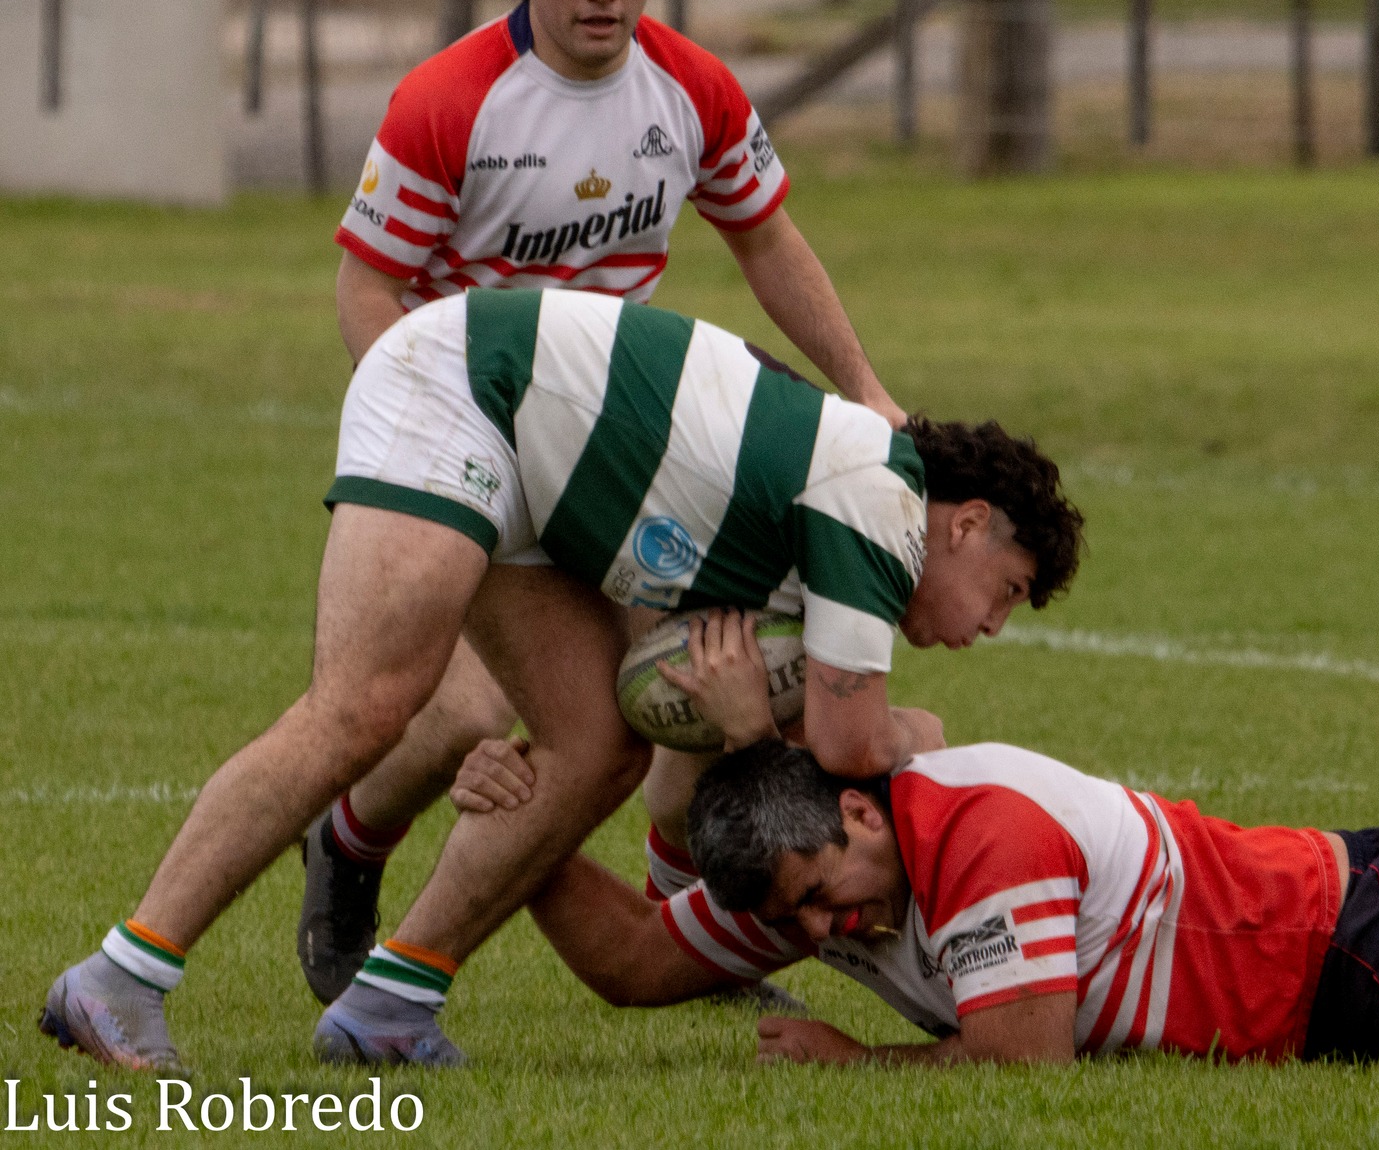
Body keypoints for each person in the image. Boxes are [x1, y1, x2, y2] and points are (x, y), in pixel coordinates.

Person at [36, 289, 1084, 1072]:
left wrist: (752, 728)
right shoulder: (883, 506)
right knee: (367, 705)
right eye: (1005, 588)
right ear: (963, 523)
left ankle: (390, 1004)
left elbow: (784, 749)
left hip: (541, 483)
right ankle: (119, 976)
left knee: (595, 746)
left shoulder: (849, 517)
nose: (989, 623)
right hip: (462, 385)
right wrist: (834, 731)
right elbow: (857, 750)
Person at [308, 0, 909, 1008]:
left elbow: (768, 240)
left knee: (700, 666)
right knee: (467, 709)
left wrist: (863, 388)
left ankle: (689, 929)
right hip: (480, 443)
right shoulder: (451, 100)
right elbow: (367, 284)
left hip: (633, 450)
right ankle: (350, 842)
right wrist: (434, 446)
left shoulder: (689, 91)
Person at [509, 586, 1379, 1068]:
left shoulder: (974, 835)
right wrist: (527, 827)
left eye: (829, 885)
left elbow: (1021, 1062)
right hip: (1312, 980)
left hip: (1345, 937)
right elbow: (633, 959)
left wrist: (846, 1057)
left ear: (862, 808)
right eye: (798, 918)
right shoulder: (801, 863)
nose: (825, 927)